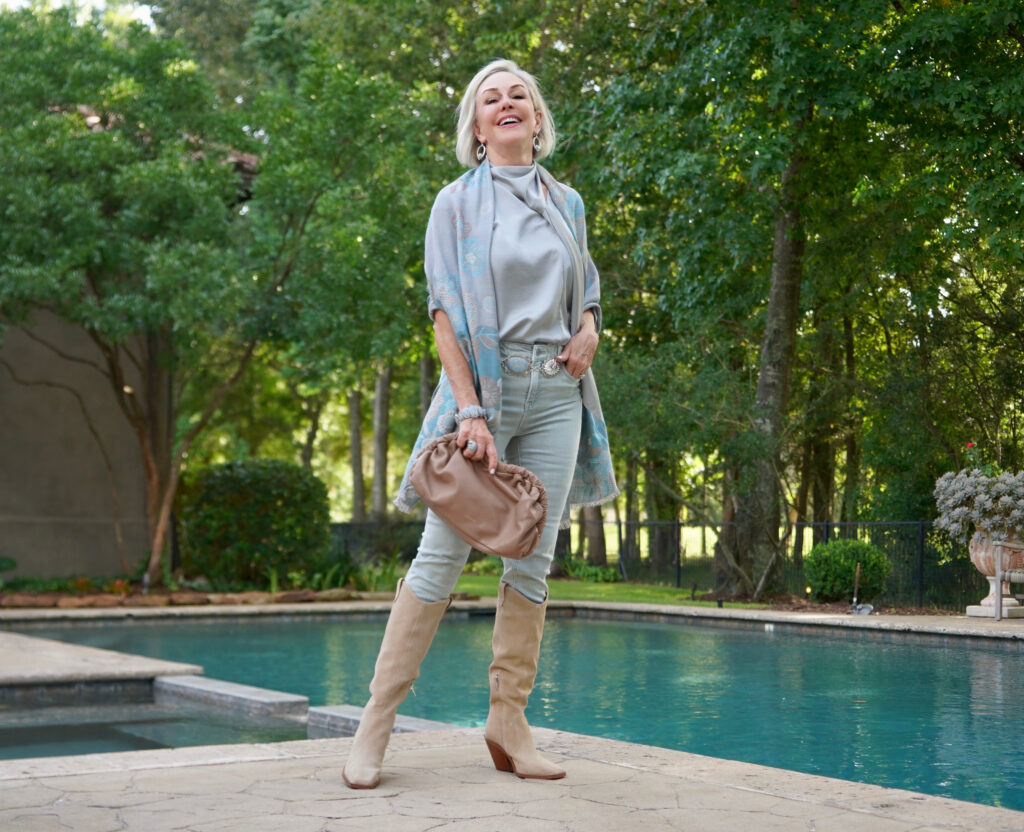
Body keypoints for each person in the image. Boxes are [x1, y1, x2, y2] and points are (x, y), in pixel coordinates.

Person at [342, 58, 618, 790]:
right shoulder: (455, 205)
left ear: (535, 116)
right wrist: (469, 411)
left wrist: (590, 325)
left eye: (517, 95)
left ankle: (508, 724)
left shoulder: (569, 202)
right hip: (484, 399)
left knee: (532, 558)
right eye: (490, 99)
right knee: (441, 556)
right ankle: (375, 727)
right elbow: (444, 317)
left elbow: (583, 283)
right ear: (475, 125)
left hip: (558, 392)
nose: (506, 105)